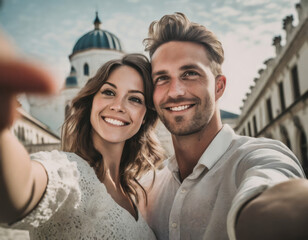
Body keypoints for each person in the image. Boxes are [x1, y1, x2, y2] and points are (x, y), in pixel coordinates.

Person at [139, 12, 308, 240]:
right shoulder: (150, 187)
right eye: (161, 78)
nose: (175, 91)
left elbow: (275, 189)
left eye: (190, 73)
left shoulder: (258, 157)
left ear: (219, 87)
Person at [0, 42, 164, 238]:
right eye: (109, 92)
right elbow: (19, 192)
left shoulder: (136, 192)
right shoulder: (69, 172)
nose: (118, 106)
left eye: (135, 99)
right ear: (91, 101)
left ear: (145, 116)